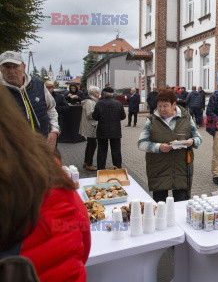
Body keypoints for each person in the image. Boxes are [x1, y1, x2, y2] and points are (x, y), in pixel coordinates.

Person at [0, 82, 90, 281]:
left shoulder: (47, 177)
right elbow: (81, 235)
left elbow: (54, 111)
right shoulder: (49, 176)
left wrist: (54, 130)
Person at [138, 89, 202, 202]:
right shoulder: (152, 120)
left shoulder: (186, 117)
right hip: (158, 169)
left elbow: (198, 138)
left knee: (181, 204)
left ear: (174, 104)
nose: (162, 109)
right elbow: (141, 143)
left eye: (165, 106)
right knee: (160, 206)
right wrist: (158, 147)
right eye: (159, 106)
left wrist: (192, 142)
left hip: (181, 170)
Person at [0, 51, 59, 148]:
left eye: (15, 66)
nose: (11, 71)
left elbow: (51, 109)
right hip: (15, 151)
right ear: (1, 69)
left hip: (43, 145)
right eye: (6, 67)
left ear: (23, 67)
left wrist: (54, 131)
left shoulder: (38, 85)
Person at [92, 87, 126, 170]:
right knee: (116, 152)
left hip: (102, 131)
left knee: (102, 151)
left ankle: (100, 169)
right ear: (113, 94)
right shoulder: (118, 104)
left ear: (104, 94)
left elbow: (95, 117)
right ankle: (118, 169)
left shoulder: (99, 104)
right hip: (115, 131)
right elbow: (123, 116)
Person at [79, 86, 100, 171]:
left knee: (90, 144)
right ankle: (89, 163)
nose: (99, 94)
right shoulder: (90, 102)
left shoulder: (91, 101)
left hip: (90, 126)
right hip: (90, 126)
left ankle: (86, 162)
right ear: (93, 93)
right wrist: (98, 114)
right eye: (97, 93)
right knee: (93, 144)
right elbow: (89, 114)